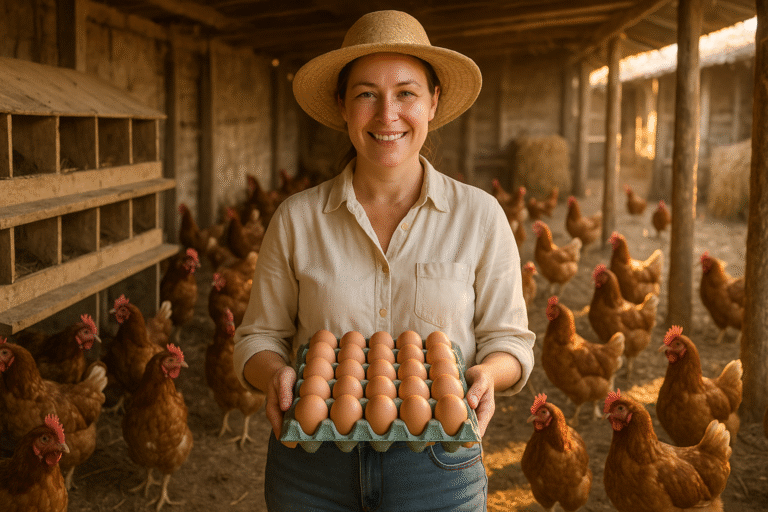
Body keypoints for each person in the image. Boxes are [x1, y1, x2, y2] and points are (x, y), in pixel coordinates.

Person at [233, 10, 535, 511]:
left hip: (438, 466)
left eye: (407, 93)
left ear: (433, 102)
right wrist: (275, 375)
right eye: (367, 93)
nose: (387, 115)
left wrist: (487, 375)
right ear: (343, 107)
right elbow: (259, 337)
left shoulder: (480, 216)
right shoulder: (297, 219)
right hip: (312, 468)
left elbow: (509, 340)